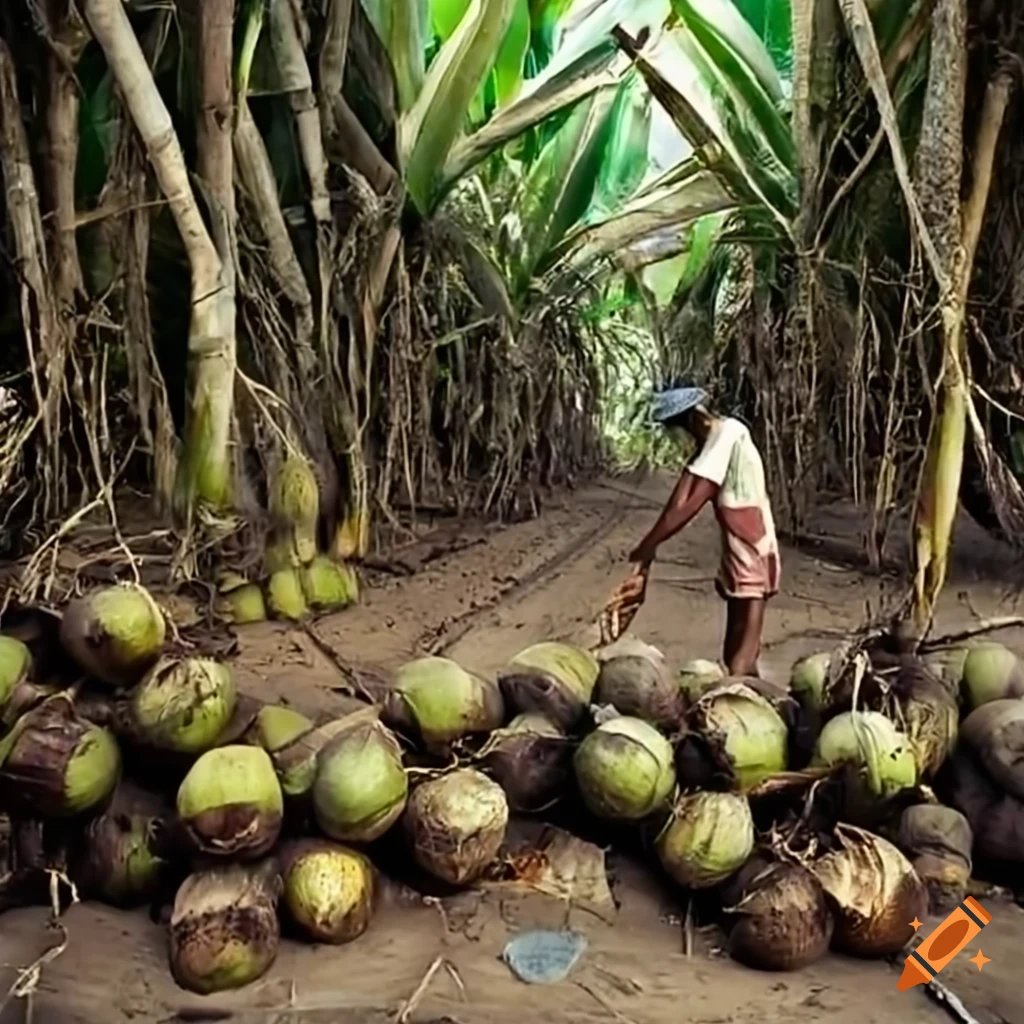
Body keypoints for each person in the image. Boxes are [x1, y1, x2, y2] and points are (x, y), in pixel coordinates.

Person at [616, 387, 780, 677]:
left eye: (680, 429)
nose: (682, 437)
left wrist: (648, 545)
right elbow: (679, 497)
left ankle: (766, 699)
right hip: (736, 546)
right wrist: (647, 552)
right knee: (733, 653)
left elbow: (690, 503)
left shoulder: (729, 434)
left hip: (753, 546)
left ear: (693, 419)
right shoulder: (710, 444)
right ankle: (757, 693)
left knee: (741, 660)